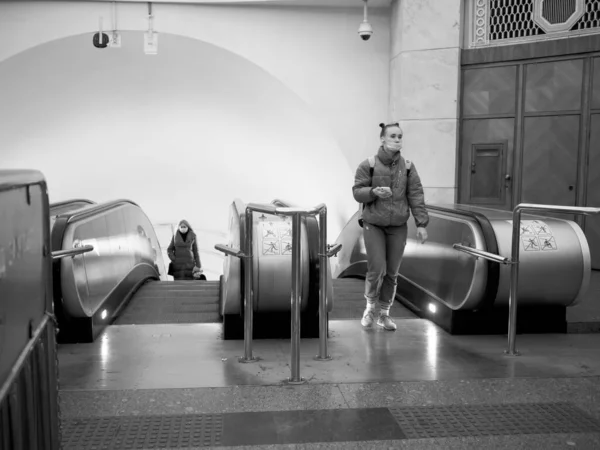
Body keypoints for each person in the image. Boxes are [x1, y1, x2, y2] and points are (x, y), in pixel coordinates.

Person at [352, 122, 429, 331]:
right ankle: (369, 308)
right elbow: (357, 191)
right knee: (377, 268)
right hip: (373, 223)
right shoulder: (367, 164)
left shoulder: (408, 167)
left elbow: (416, 195)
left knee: (392, 272)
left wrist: (421, 224)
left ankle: (384, 314)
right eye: (393, 136)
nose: (397, 140)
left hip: (398, 226)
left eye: (400, 137)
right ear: (382, 139)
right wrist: (373, 192)